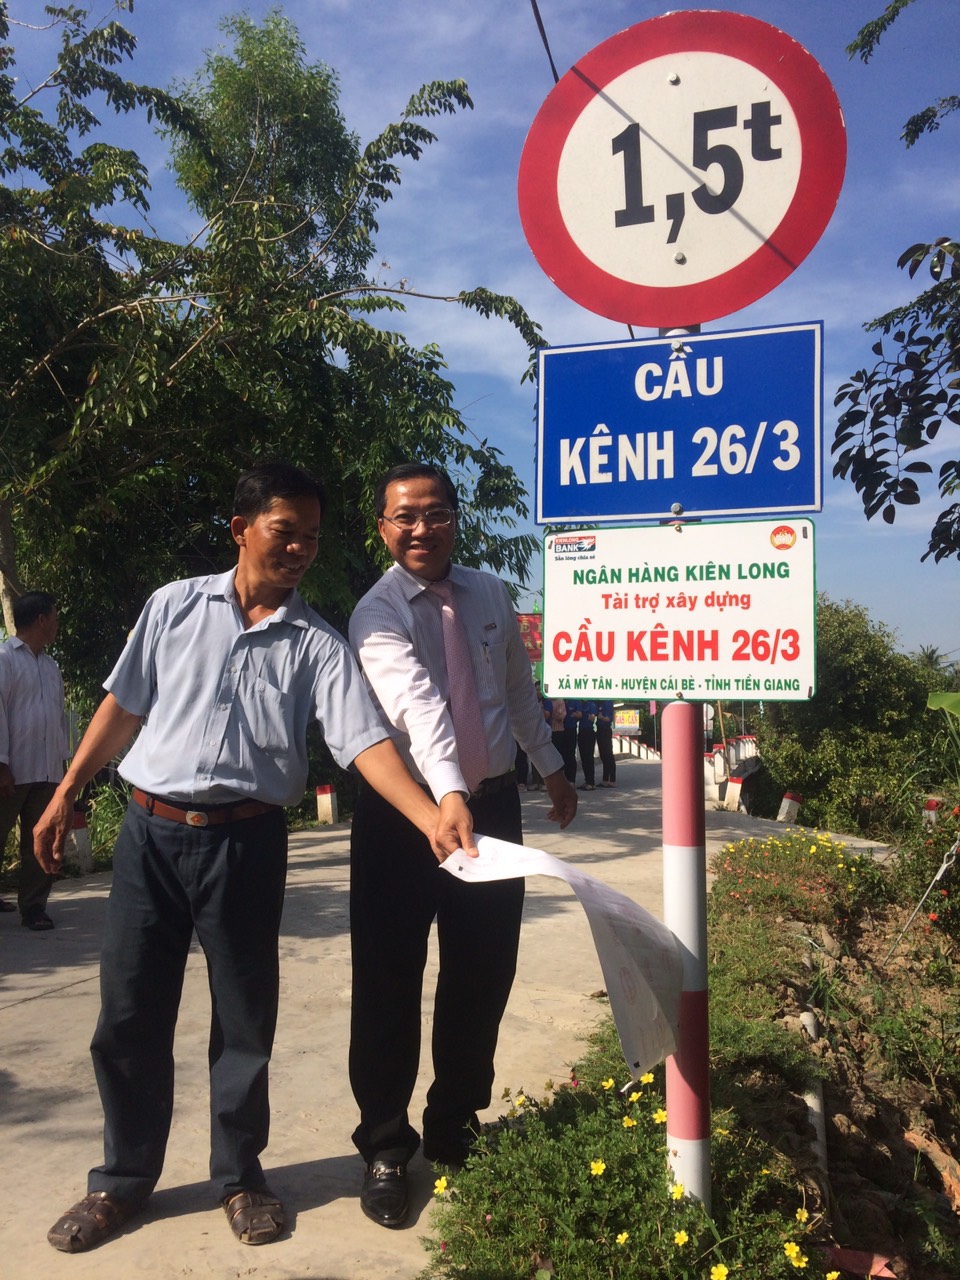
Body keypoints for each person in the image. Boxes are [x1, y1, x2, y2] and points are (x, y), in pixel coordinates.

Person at [34, 462, 471, 1255]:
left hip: (246, 842)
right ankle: (121, 1182)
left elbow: (364, 743)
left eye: (312, 536)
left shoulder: (318, 645)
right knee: (128, 1015)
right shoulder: (173, 606)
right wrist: (67, 790)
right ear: (240, 529)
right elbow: (123, 705)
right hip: (150, 836)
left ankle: (240, 1176)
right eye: (285, 531)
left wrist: (430, 817)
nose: (300, 548)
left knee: (244, 1022)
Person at [347, 462, 578, 1228]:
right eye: (405, 516)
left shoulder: (490, 594)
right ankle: (385, 1144)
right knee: (388, 977)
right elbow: (417, 708)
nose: (422, 529)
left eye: (436, 513)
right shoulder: (375, 613)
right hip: (406, 818)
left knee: (482, 971)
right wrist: (446, 796)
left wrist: (550, 766)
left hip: (493, 808)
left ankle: (454, 1122)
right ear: (383, 527)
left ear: (456, 517)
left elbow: (514, 690)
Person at [0, 591, 69, 929]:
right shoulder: (4, 659)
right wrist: (1, 764)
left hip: (47, 770)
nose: (56, 624)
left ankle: (34, 908)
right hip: (11, 770)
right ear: (41, 619)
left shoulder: (51, 666)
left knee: (40, 840)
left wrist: (64, 764)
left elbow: (58, 718)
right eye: (54, 617)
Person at [576, 700, 597, 791]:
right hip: (581, 731)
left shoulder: (591, 704)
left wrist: (589, 716)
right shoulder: (580, 704)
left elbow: (592, 717)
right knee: (583, 758)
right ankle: (587, 781)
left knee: (589, 758)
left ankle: (591, 782)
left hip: (589, 732)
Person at [596, 700, 617, 787]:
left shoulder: (608, 702)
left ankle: (612, 780)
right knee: (603, 755)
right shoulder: (599, 702)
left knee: (608, 755)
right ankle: (605, 779)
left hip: (605, 729)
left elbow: (609, 719)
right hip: (599, 729)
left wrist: (601, 717)